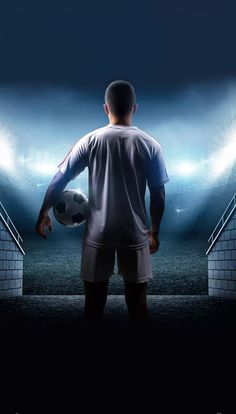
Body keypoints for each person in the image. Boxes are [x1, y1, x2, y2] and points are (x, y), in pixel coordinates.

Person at [35, 80, 169, 322]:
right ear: (135, 108)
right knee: (138, 307)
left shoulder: (90, 140)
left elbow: (60, 178)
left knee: (93, 306)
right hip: (134, 233)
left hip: (98, 234)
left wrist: (44, 211)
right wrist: (155, 231)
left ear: (106, 108)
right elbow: (158, 194)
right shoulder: (151, 145)